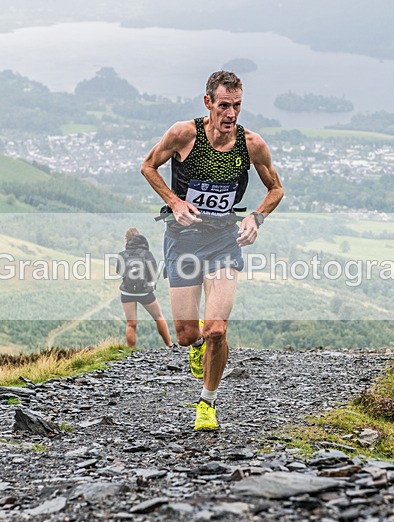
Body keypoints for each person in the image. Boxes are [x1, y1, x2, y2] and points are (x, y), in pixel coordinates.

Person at [141, 70, 284, 431]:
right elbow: (148, 166)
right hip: (183, 240)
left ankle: (207, 403)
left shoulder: (251, 145)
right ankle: (197, 343)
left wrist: (257, 217)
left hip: (223, 239)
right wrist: (173, 201)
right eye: (223, 105)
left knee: (217, 331)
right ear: (208, 103)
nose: (231, 114)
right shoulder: (183, 134)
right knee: (190, 334)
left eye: (237, 105)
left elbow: (276, 189)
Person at [116, 228, 173, 349]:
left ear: (126, 240)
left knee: (131, 324)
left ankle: (131, 351)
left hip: (127, 292)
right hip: (145, 292)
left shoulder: (122, 255)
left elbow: (119, 272)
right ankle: (170, 345)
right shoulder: (147, 254)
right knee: (158, 317)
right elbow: (154, 274)